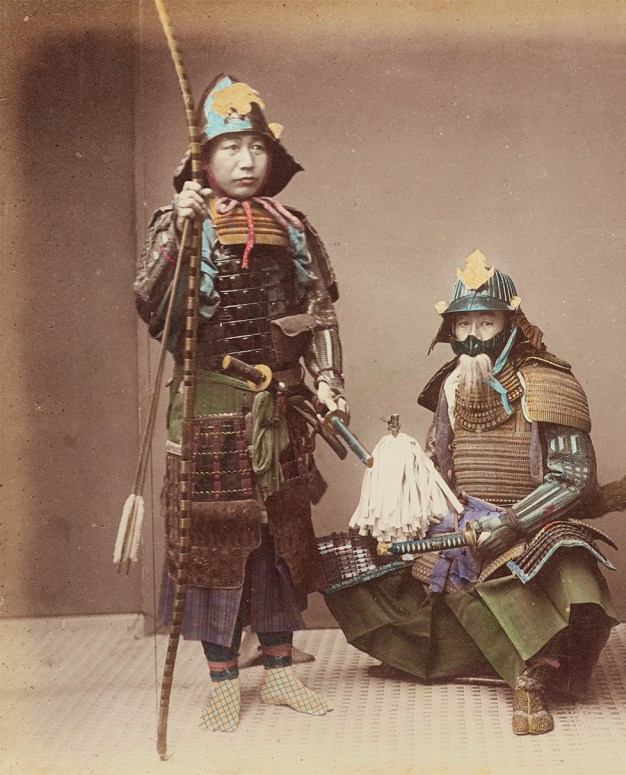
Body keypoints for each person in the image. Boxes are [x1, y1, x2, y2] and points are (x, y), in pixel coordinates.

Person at [320, 250, 618, 735]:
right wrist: (405, 481)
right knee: (370, 558)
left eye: (486, 321)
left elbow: (573, 476)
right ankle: (457, 657)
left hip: (532, 521)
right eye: (464, 324)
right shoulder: (449, 385)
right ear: (451, 330)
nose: (474, 334)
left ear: (510, 321)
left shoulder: (548, 381)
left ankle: (532, 673)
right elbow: (440, 463)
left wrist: (511, 522)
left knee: (556, 566)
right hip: (461, 521)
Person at [134, 74, 347, 731]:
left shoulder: (294, 228)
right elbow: (149, 304)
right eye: (230, 147)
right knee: (214, 543)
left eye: (256, 146)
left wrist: (329, 381)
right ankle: (223, 681)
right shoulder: (178, 224)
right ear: (204, 159)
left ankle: (279, 671)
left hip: (278, 407)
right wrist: (181, 231)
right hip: (207, 410)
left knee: (282, 538)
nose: (246, 159)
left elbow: (320, 313)